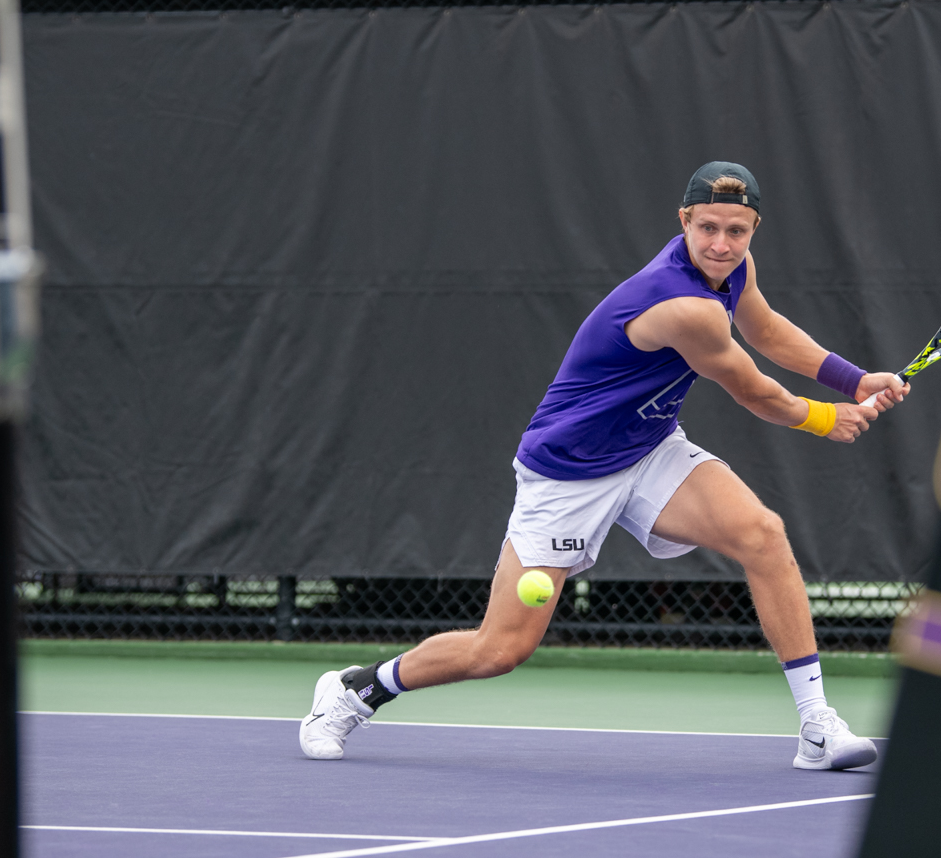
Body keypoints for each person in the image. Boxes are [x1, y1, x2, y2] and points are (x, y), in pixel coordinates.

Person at [300, 161, 907, 771]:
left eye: (737, 231)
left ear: (753, 230)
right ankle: (357, 690)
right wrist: (825, 419)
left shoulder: (734, 269)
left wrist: (853, 380)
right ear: (684, 222)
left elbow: (767, 330)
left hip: (648, 449)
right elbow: (754, 391)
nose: (722, 244)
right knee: (500, 649)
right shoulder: (681, 306)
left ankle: (815, 726)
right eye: (708, 229)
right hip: (568, 471)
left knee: (763, 534)